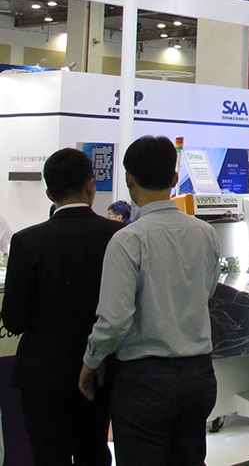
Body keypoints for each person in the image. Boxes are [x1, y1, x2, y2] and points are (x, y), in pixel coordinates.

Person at [79, 135, 221, 465]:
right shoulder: (205, 233)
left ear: (129, 178)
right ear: (174, 178)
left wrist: (91, 362)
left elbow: (115, 319)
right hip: (199, 374)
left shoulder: (128, 240)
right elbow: (208, 292)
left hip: (145, 379)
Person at [2, 147, 123, 466]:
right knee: (93, 451)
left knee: (48, 457)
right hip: (100, 372)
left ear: (49, 193)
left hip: (43, 376)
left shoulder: (27, 242)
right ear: (90, 185)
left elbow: (13, 319)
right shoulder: (117, 236)